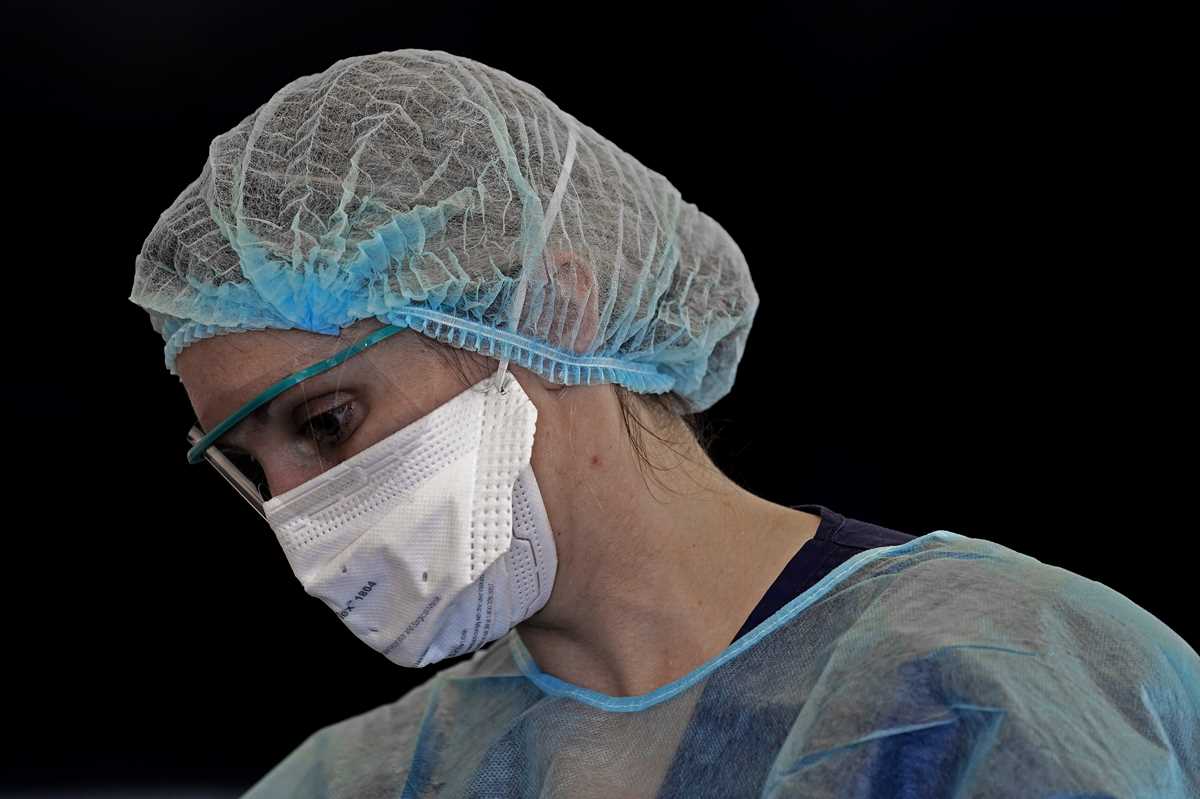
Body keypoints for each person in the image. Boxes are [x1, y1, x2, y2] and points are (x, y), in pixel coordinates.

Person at [129, 49, 1199, 798]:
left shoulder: (998, 675)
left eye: (325, 423)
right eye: (255, 469)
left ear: (553, 310)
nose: (302, 517)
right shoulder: (354, 781)